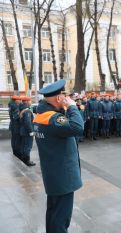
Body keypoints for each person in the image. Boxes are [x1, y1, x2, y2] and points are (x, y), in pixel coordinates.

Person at [33, 79, 84, 233]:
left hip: (53, 173)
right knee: (61, 218)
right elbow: (77, 127)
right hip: (63, 176)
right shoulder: (53, 119)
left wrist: (67, 108)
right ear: (58, 98)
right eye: (63, 95)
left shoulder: (41, 115)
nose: (65, 98)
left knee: (54, 213)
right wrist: (72, 107)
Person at [18, 96, 36, 166]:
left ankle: (23, 159)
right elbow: (27, 122)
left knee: (23, 145)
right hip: (27, 132)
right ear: (27, 102)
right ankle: (27, 161)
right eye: (30, 101)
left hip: (23, 131)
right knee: (27, 146)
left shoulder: (22, 109)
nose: (31, 102)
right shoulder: (27, 111)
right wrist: (31, 131)